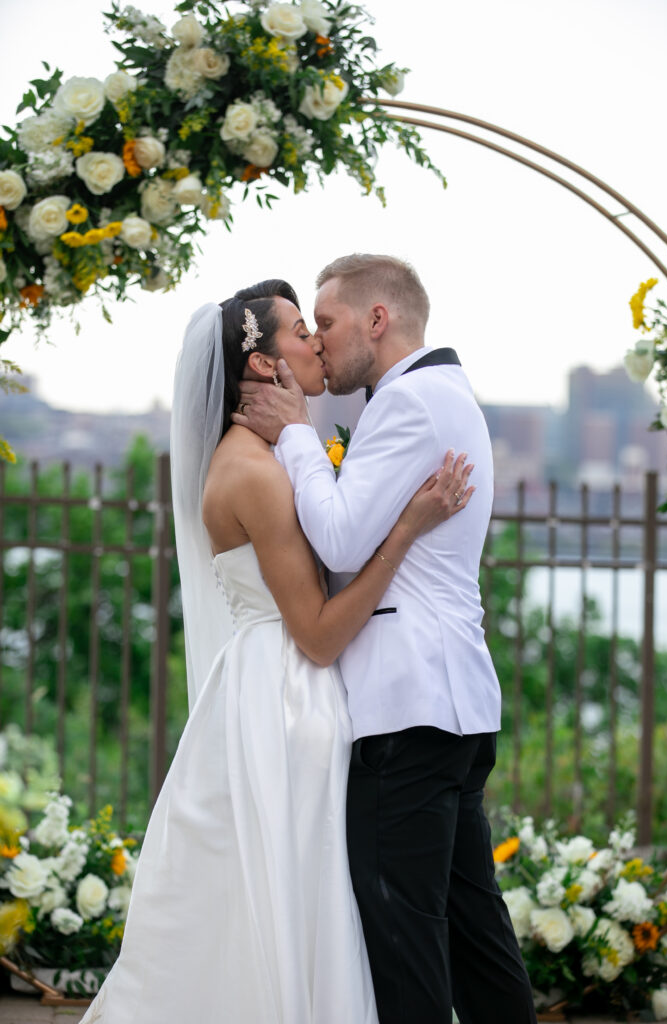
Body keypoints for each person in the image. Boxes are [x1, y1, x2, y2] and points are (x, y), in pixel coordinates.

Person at [78, 279, 473, 1024]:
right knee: (295, 899)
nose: (316, 342)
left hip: (270, 689)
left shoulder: (268, 457)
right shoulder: (255, 473)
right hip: (288, 703)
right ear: (262, 365)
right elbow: (319, 635)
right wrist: (407, 529)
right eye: (300, 330)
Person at [235, 255, 538, 1024]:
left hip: (406, 713)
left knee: (403, 938)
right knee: (472, 934)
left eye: (327, 324)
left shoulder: (408, 404)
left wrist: (299, 436)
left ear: (378, 319)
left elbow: (337, 540)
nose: (321, 343)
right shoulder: (440, 395)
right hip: (449, 708)